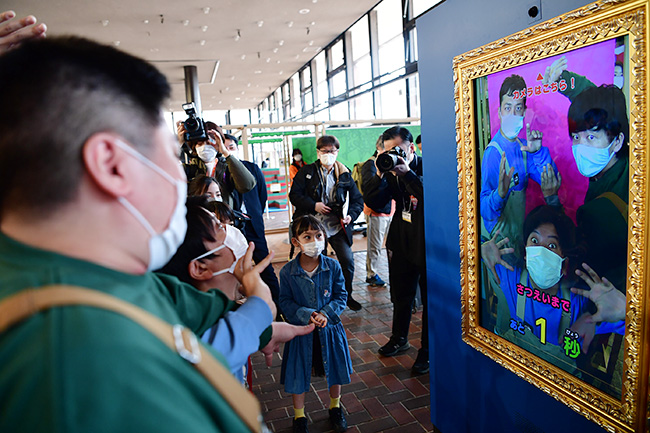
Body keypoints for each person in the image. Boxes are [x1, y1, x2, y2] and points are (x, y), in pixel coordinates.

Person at [0, 36, 303, 432]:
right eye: (167, 153)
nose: (180, 176)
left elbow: (199, 309)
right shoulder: (79, 361)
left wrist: (262, 318)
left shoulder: (105, 276)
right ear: (112, 165)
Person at [159, 196, 314, 384]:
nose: (230, 232)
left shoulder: (218, 316)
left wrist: (265, 333)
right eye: (219, 229)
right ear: (200, 268)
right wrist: (255, 287)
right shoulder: (193, 341)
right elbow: (265, 308)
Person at [482, 205, 625, 379]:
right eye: (534, 240)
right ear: (526, 253)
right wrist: (482, 249)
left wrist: (624, 311)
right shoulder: (510, 276)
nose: (541, 250)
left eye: (552, 245)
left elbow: (631, 329)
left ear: (564, 263)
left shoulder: (579, 302)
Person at [543, 56, 629, 293]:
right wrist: (566, 81)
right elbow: (598, 107)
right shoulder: (623, 160)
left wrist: (552, 200)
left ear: (617, 141)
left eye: (591, 137)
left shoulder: (598, 213)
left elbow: (572, 249)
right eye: (576, 137)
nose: (580, 147)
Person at [363, 126, 429, 374]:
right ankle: (399, 338)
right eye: (389, 151)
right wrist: (380, 171)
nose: (395, 156)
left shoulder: (425, 165)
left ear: (411, 148)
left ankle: (427, 351)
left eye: (399, 150)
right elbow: (374, 201)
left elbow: (428, 194)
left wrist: (408, 173)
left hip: (426, 240)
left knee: (428, 299)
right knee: (401, 295)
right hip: (401, 240)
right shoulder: (389, 171)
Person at [279, 215, 353, 433]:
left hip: (329, 329)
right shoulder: (287, 272)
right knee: (298, 372)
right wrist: (307, 314)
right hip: (301, 332)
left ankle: (335, 407)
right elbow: (284, 301)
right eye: (307, 236)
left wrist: (326, 314)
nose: (314, 240)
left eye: (318, 235)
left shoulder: (333, 266)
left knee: (335, 368)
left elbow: (341, 295)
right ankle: (299, 417)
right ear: (296, 241)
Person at [479, 74, 556, 262]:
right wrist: (500, 194)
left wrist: (538, 152)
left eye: (518, 108)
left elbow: (551, 183)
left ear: (524, 112)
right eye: (508, 108)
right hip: (498, 242)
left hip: (520, 236)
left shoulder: (524, 147)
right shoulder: (493, 153)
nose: (513, 114)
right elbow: (485, 210)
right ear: (499, 112)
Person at [289, 135, 365, 311]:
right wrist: (313, 205)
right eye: (324, 151)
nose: (328, 154)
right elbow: (294, 195)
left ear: (337, 152)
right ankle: (316, 297)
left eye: (332, 151)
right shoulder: (306, 172)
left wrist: (351, 216)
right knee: (316, 262)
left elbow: (357, 201)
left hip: (337, 226)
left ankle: (346, 295)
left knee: (347, 260)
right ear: (318, 152)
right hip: (314, 226)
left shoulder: (344, 174)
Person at [223, 133, 282, 313]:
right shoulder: (221, 172)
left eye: (231, 147)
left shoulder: (251, 168)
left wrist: (255, 215)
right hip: (230, 228)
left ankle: (279, 307)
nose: (227, 151)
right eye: (223, 147)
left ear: (237, 148)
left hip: (252, 225)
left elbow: (262, 196)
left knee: (266, 267)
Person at [178, 121, 256, 208]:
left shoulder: (228, 168)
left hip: (224, 217)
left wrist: (225, 152)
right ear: (194, 147)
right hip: (199, 218)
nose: (205, 147)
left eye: (209, 143)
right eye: (200, 143)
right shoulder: (189, 169)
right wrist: (178, 145)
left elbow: (247, 185)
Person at [361, 136, 394, 287]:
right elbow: (369, 190)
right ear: (380, 148)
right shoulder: (370, 164)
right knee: (375, 245)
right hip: (376, 211)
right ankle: (371, 273)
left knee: (392, 244)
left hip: (391, 209)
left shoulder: (390, 162)